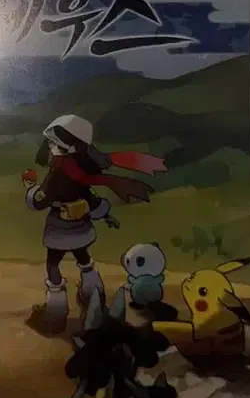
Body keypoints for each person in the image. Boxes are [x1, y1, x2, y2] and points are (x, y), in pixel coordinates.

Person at [24, 114, 166, 335]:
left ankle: (56, 313)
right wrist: (105, 214)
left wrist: (31, 190)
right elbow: (90, 197)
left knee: (53, 265)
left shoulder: (59, 170)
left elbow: (41, 201)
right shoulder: (80, 170)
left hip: (59, 228)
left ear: (62, 145)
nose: (50, 146)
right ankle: (93, 295)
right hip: (81, 226)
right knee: (84, 259)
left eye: (52, 142)